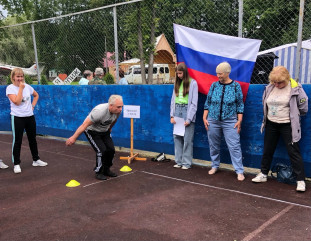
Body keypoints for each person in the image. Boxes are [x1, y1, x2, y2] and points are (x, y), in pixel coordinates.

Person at [252, 66, 308, 192]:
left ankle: (300, 180)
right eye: (274, 82)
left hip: (287, 125)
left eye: (280, 82)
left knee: (293, 152)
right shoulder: (270, 87)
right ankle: (263, 174)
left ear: (286, 78)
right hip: (271, 123)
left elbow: (304, 106)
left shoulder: (295, 88)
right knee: (267, 150)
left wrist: (294, 116)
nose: (276, 84)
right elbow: (264, 102)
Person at [203, 62, 245, 181]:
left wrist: (239, 120)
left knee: (234, 145)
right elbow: (208, 102)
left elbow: (240, 105)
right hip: (213, 119)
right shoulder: (214, 85)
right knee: (213, 144)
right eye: (217, 73)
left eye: (220, 73)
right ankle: (215, 165)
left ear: (227, 73)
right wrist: (204, 117)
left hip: (230, 120)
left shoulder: (236, 86)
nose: (218, 76)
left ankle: (239, 170)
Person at [66, 95, 123, 180]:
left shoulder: (117, 111)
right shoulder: (99, 111)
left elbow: (114, 120)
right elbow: (84, 125)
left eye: (121, 107)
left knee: (111, 150)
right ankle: (99, 171)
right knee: (101, 150)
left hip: (104, 131)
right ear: (111, 105)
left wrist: (110, 128)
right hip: (92, 131)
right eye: (118, 107)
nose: (120, 109)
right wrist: (74, 137)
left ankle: (106, 169)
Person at [6, 68, 48, 174]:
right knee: (17, 141)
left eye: (21, 76)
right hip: (17, 117)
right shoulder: (10, 88)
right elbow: (17, 102)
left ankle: (36, 160)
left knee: (32, 139)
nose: (20, 78)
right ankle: (16, 164)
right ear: (13, 77)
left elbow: (36, 95)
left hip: (29, 116)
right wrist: (20, 88)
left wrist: (33, 106)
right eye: (18, 76)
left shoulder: (28, 87)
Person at [170, 63, 198, 170]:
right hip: (177, 110)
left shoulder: (193, 83)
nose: (179, 76)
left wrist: (189, 118)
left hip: (187, 111)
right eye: (177, 74)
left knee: (187, 138)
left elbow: (194, 103)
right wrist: (172, 115)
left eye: (180, 73)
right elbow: (173, 100)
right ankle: (179, 161)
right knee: (177, 137)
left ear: (185, 72)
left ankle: (186, 163)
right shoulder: (176, 83)